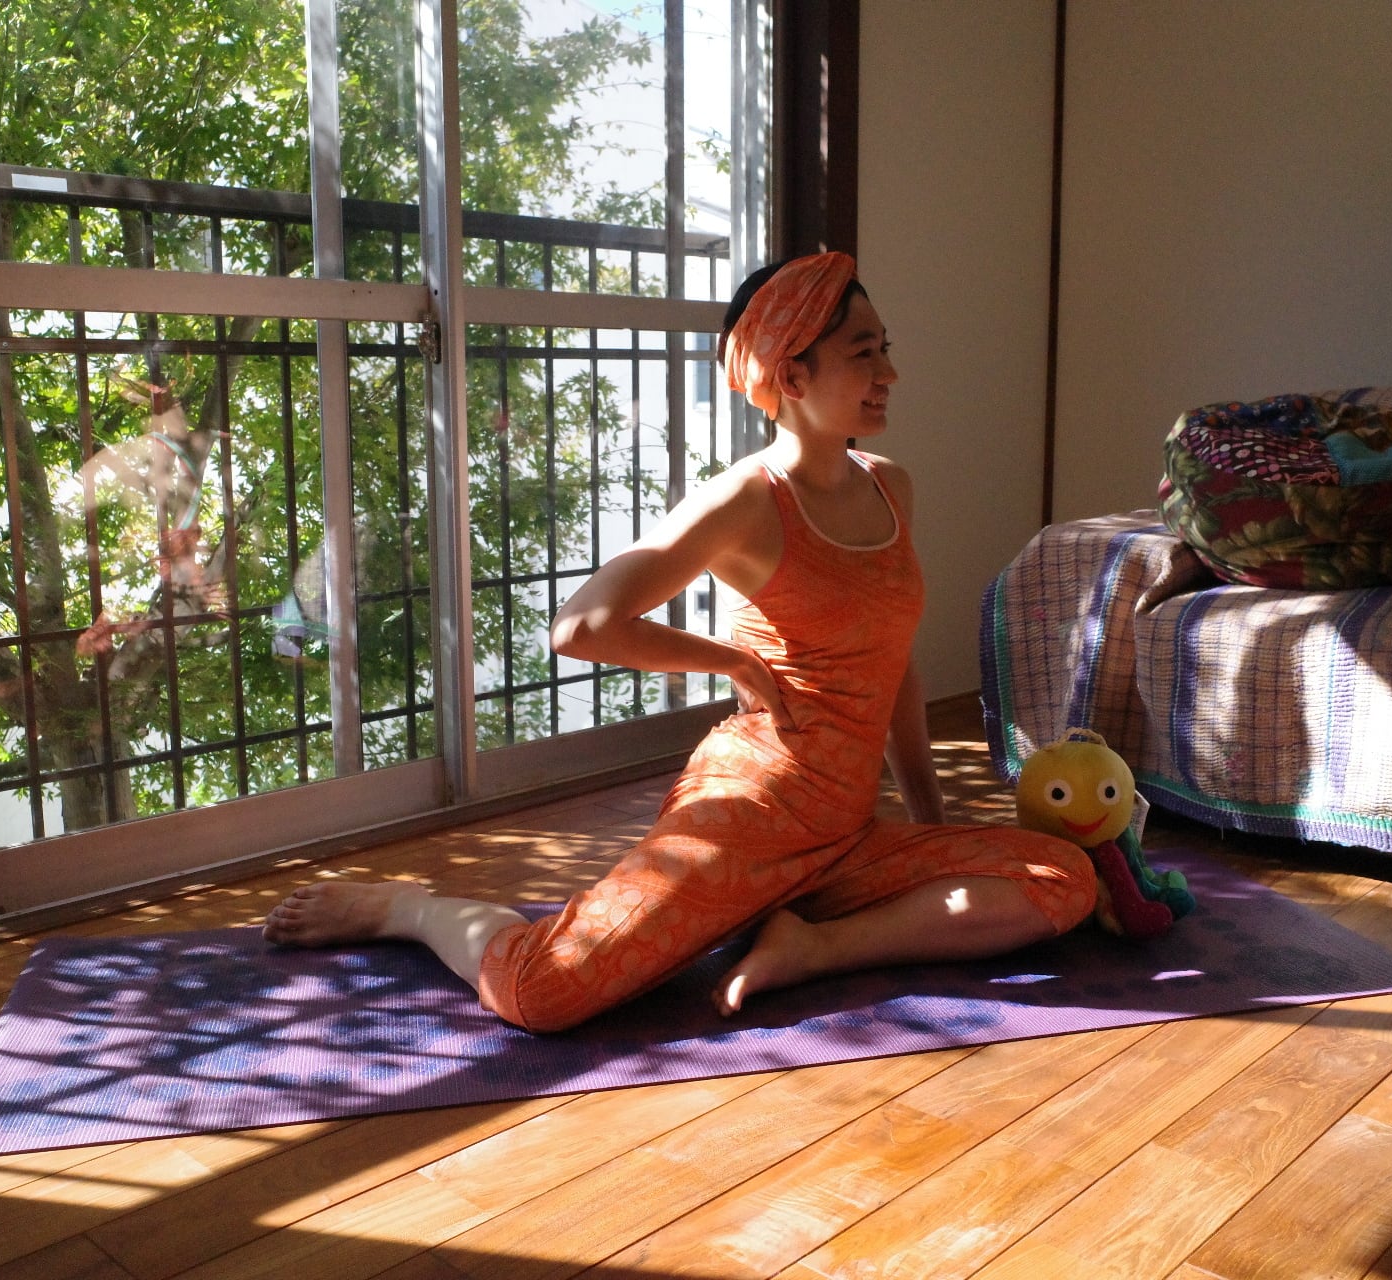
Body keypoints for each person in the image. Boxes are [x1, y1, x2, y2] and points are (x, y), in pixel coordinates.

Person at [263, 252, 1098, 1031]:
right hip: (756, 812)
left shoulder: (891, 488)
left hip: (848, 834)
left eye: (886, 349)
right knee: (541, 991)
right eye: (864, 353)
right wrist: (730, 659)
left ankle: (813, 947)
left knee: (1063, 879)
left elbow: (895, 666)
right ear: (792, 375)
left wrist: (928, 826)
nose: (889, 374)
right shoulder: (747, 500)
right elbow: (582, 625)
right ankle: (408, 908)